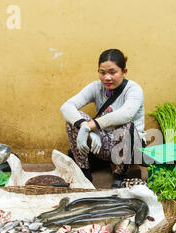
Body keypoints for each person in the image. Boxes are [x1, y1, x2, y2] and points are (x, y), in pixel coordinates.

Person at [60, 49, 145, 188]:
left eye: (113, 72)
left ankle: (120, 175)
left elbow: (126, 114)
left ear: (124, 72)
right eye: (102, 72)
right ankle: (84, 173)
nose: (107, 78)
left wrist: (91, 126)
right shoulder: (96, 87)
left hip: (131, 147)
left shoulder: (133, 89)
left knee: (126, 125)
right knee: (75, 118)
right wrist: (86, 128)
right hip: (104, 144)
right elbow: (66, 107)